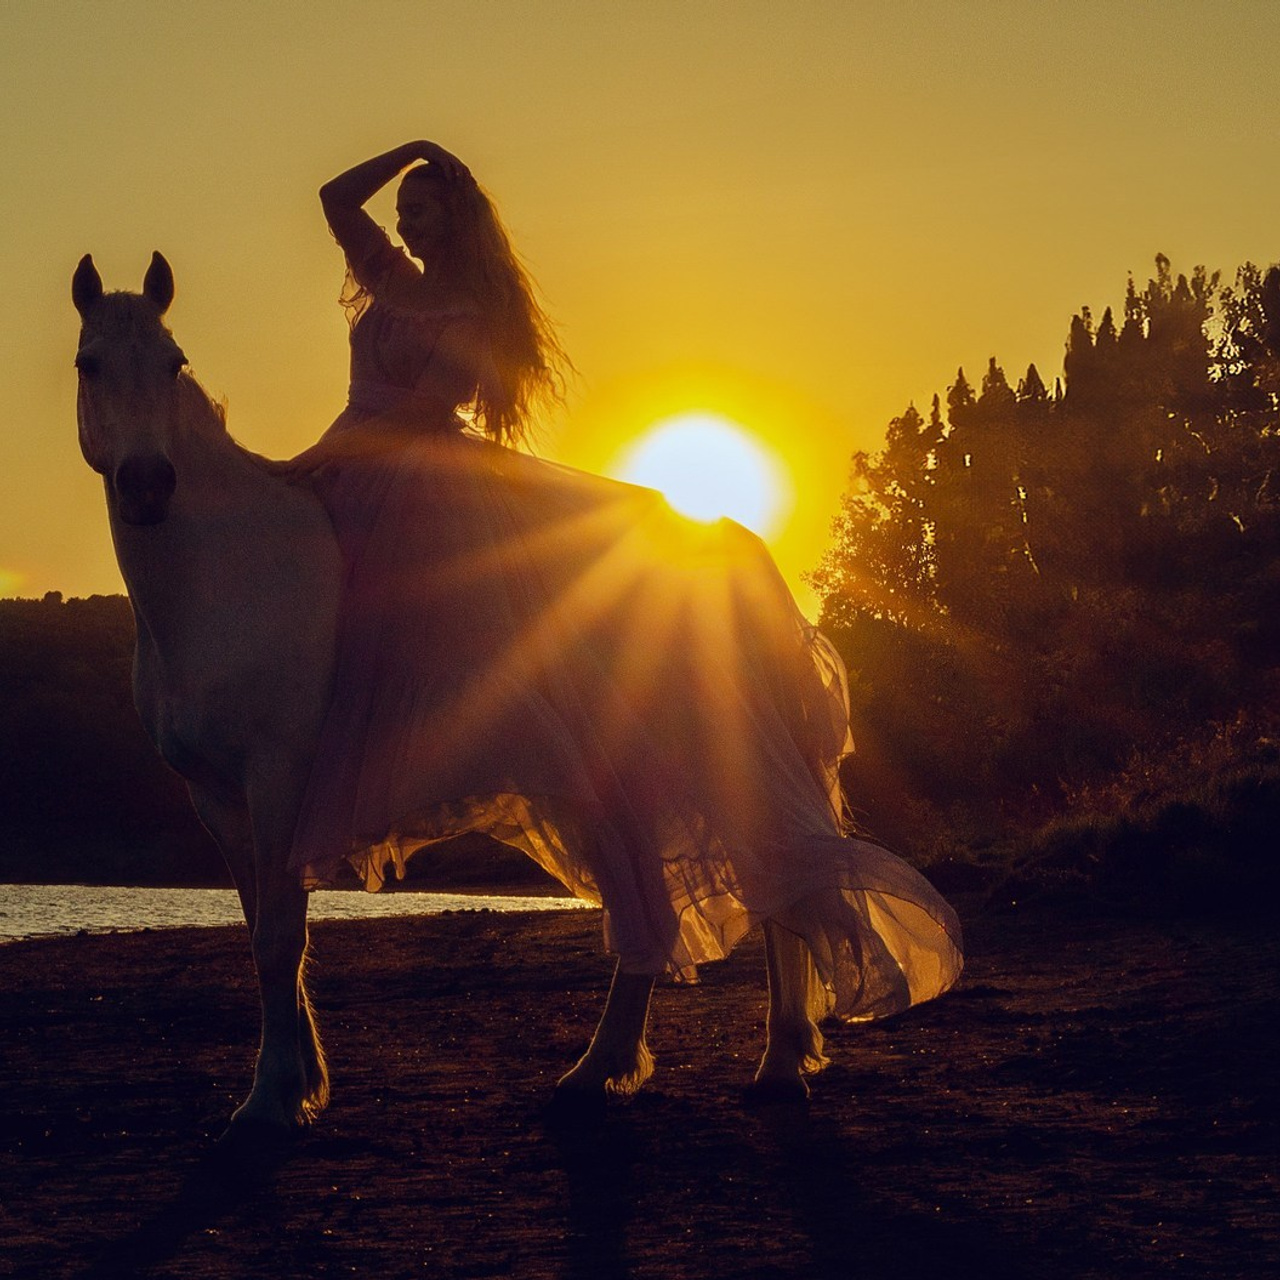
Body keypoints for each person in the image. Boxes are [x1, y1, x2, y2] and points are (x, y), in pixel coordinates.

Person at [289, 141, 962, 1018]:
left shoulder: (472, 313)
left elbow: (415, 418)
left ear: (456, 219)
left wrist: (315, 461)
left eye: (422, 207)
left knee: (491, 666)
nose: (406, 221)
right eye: (403, 210)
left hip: (422, 490)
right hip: (353, 467)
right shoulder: (387, 278)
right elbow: (334, 198)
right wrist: (414, 148)